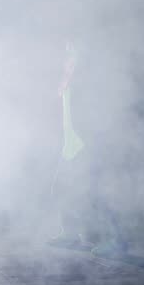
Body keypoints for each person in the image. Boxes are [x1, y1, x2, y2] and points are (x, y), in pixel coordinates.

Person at [47, 40, 127, 255]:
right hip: (70, 146)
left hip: (87, 145)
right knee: (61, 190)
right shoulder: (68, 80)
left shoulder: (88, 80)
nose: (66, 61)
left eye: (71, 57)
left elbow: (98, 112)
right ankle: (71, 234)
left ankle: (117, 240)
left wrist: (95, 141)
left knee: (97, 193)